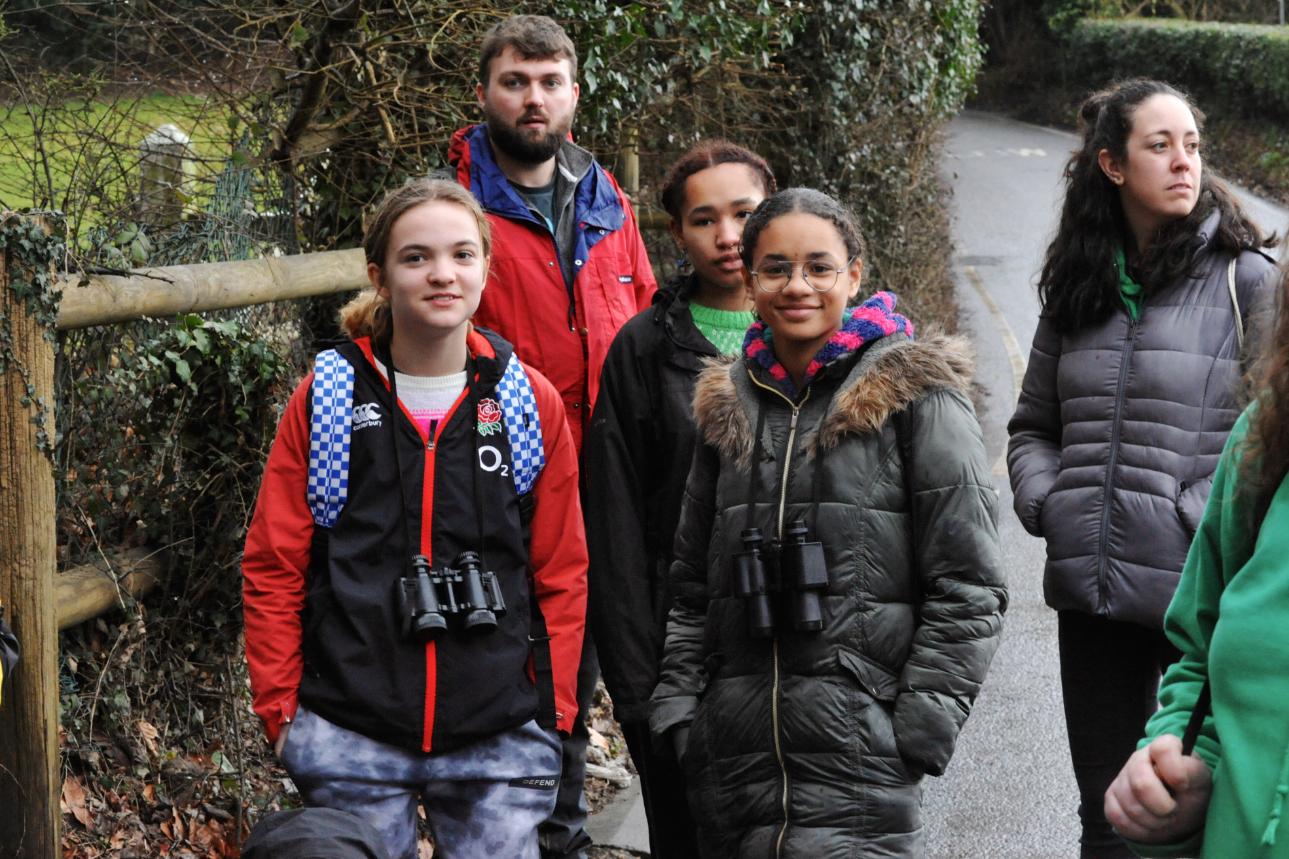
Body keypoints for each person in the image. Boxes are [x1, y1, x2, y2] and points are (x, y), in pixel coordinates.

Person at [649, 187, 1007, 856]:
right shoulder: (727, 403)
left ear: (853, 274)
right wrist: (682, 712)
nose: (797, 285)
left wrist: (917, 726)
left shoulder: (916, 396)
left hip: (864, 764)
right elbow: (691, 584)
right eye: (776, 268)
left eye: (818, 267)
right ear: (750, 280)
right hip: (733, 765)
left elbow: (969, 584)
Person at [242, 178, 587, 859]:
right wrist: (282, 712)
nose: (442, 274)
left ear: (486, 268)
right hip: (350, 729)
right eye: (416, 257)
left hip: (502, 731)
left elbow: (562, 569)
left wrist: (555, 711)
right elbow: (274, 561)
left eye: (462, 254)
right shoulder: (329, 397)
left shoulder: (525, 401)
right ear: (379, 275)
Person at [1006, 78, 1278, 859]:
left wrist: (1194, 516)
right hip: (1090, 595)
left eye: (1191, 144)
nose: (1183, 161)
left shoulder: (1245, 280)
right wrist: (1054, 503)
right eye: (1159, 146)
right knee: (1106, 817)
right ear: (1112, 165)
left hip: (1196, 595)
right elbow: (1032, 428)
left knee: (1194, 807)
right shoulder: (1076, 288)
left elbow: (1270, 438)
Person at [447, 16, 656, 856]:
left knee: (583, 670)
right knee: (508, 671)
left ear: (573, 93)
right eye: (515, 82)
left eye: (548, 83)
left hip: (604, 485)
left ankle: (562, 836)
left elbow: (640, 331)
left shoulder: (606, 201)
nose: (532, 99)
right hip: (490, 486)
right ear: (484, 92)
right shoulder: (453, 210)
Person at [583, 140, 776, 858]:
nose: (728, 236)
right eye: (704, 219)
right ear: (676, 234)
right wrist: (637, 688)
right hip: (681, 657)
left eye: (744, 213)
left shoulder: (822, 330)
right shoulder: (642, 348)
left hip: (800, 657)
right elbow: (614, 524)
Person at [1103, 266, 1289, 857]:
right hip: (1099, 584)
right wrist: (1180, 776)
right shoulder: (1267, 438)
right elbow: (1203, 659)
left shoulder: (1237, 273)